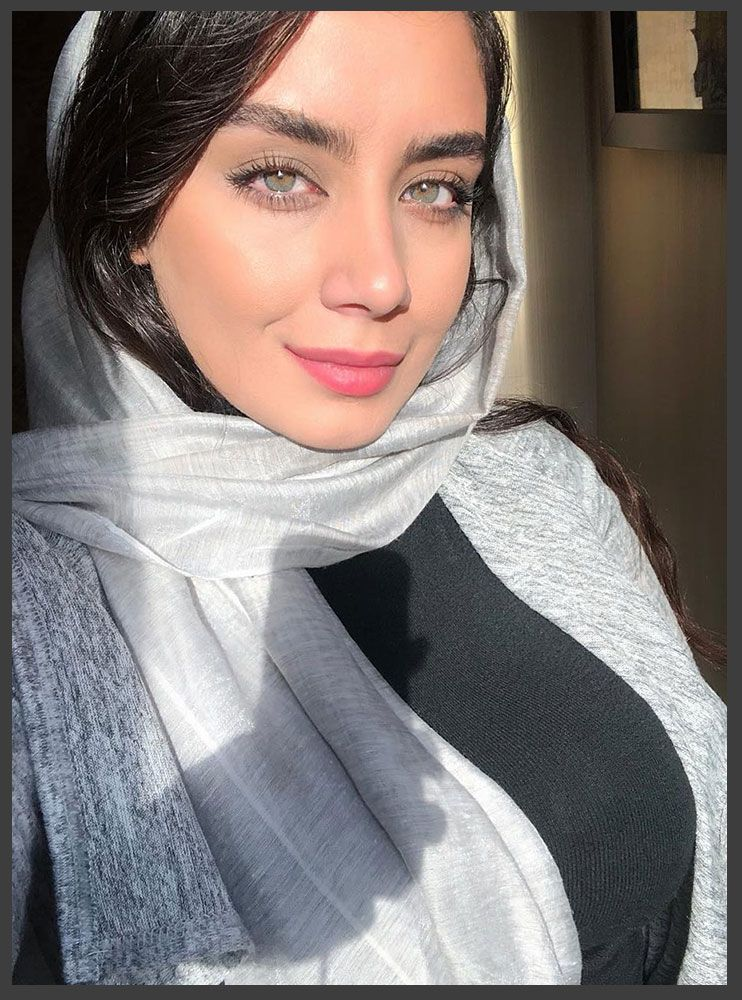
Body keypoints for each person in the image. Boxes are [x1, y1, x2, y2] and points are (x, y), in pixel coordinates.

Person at [11, 11, 726, 986]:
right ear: (127, 207)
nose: (385, 280)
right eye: (280, 177)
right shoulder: (32, 618)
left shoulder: (541, 479)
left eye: (435, 189)